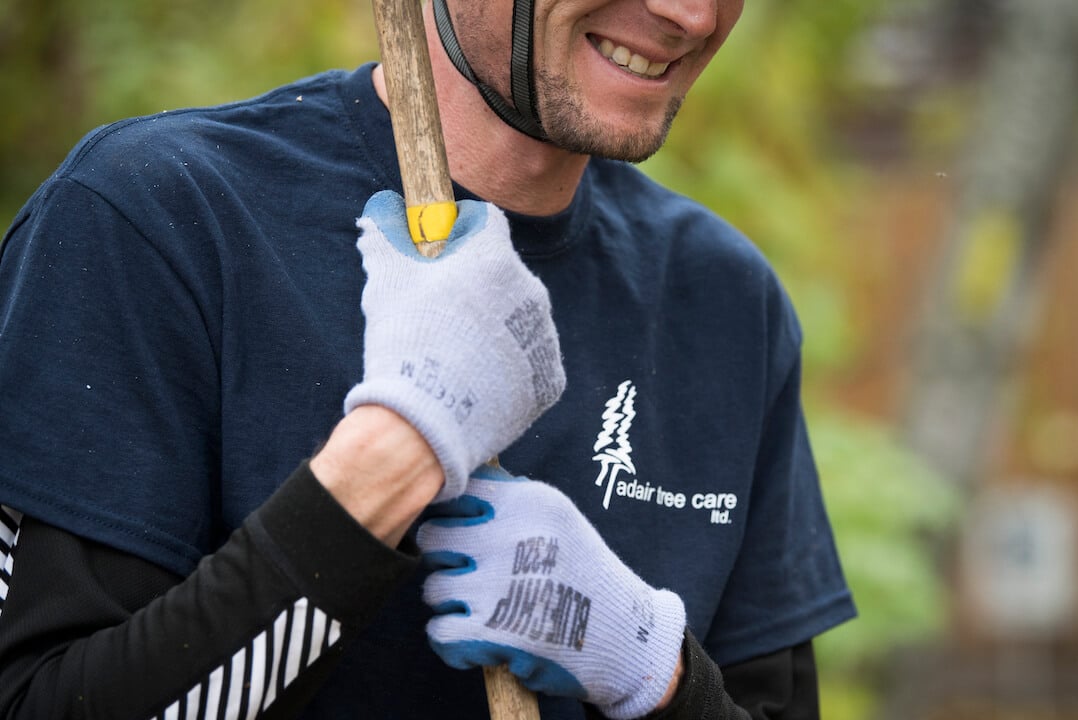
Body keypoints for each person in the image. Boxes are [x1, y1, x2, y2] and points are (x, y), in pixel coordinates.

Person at [0, 0, 857, 717]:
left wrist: (649, 667)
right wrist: (387, 465)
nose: (689, 13)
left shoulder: (724, 301)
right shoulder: (156, 222)